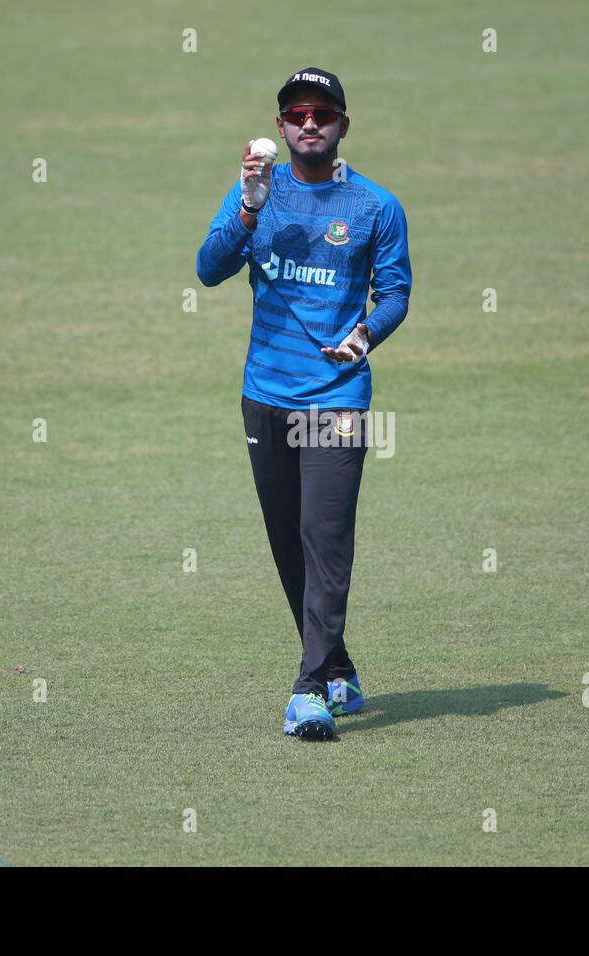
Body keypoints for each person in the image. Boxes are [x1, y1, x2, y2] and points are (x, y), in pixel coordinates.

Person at [196, 67, 413, 740]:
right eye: (296, 113)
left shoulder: (376, 206)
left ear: (344, 123)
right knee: (290, 544)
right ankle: (338, 669)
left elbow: (397, 291)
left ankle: (310, 689)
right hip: (265, 397)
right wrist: (249, 208)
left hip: (338, 400)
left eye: (322, 112)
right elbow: (209, 268)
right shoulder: (256, 193)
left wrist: (366, 333)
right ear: (282, 126)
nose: (309, 122)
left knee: (327, 540)